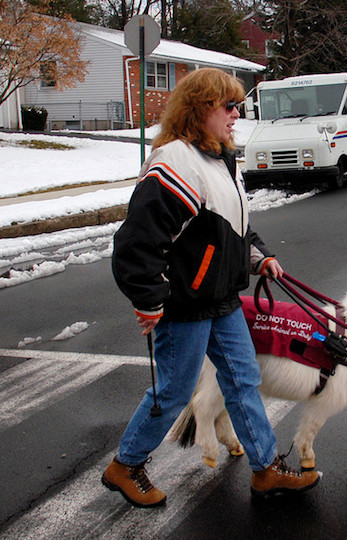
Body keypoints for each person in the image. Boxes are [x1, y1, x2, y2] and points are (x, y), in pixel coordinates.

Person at [102, 68, 321, 507]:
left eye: (238, 105)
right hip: (184, 303)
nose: (237, 114)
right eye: (229, 106)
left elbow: (233, 227)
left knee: (244, 379)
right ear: (201, 109)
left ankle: (265, 469)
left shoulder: (220, 158)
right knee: (175, 390)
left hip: (221, 300)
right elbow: (136, 243)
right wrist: (148, 299)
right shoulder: (176, 162)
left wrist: (260, 256)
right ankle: (125, 465)